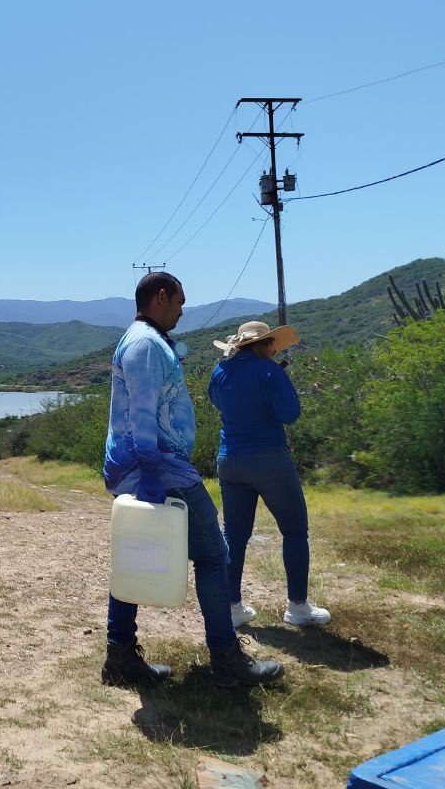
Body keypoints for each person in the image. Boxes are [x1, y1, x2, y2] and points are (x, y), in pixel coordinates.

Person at [101, 273, 284, 689]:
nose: (182, 311)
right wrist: (150, 468)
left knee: (133, 556)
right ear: (161, 297)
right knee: (214, 556)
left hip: (148, 466)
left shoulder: (142, 339)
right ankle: (227, 661)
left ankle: (120, 657)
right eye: (180, 302)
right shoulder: (146, 344)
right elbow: (143, 412)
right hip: (160, 468)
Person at [209, 321, 330, 628]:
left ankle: (232, 607)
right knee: (293, 531)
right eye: (272, 345)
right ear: (262, 345)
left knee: (234, 536)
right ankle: (298, 607)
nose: (275, 351)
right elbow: (290, 414)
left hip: (230, 459)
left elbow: (216, 402)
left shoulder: (220, 372)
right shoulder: (271, 372)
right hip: (269, 459)